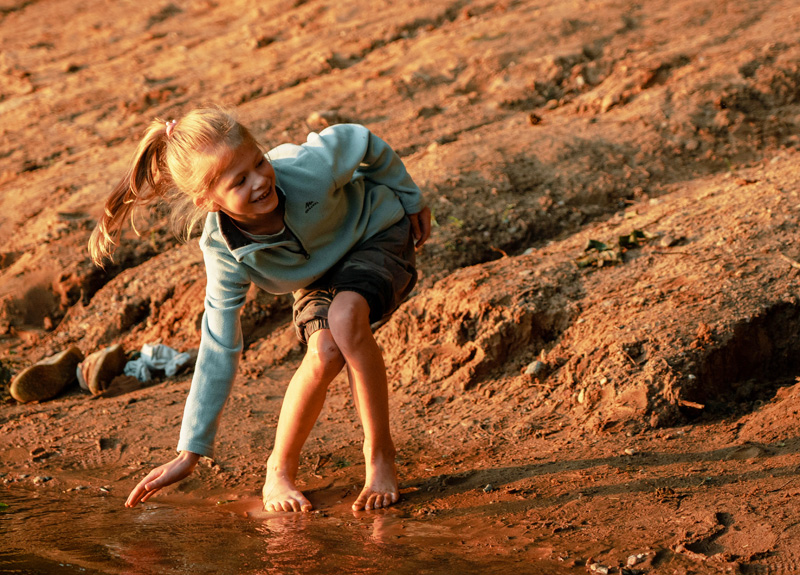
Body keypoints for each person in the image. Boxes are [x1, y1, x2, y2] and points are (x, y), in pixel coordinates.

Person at [89, 107, 431, 512]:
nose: (260, 180)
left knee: (344, 317)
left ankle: (379, 454)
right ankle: (279, 471)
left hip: (375, 233)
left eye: (258, 162)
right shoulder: (223, 250)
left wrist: (412, 199)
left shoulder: (308, 168)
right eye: (239, 181)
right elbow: (219, 343)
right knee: (324, 351)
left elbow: (362, 139)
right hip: (318, 276)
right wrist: (189, 453)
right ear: (208, 201)